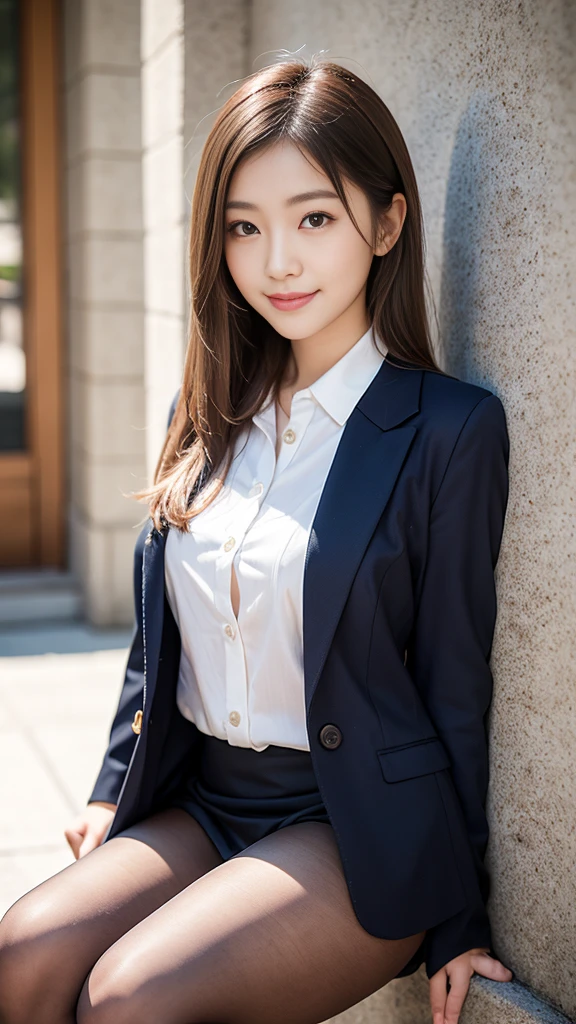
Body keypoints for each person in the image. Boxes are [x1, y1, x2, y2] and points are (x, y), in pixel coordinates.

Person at [0, 56, 514, 1024]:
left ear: (388, 222)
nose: (278, 260)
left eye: (314, 218)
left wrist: (458, 914)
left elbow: (456, 675)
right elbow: (160, 639)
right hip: (202, 795)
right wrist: (115, 787)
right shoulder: (206, 413)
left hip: (349, 821)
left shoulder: (448, 429)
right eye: (245, 226)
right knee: (22, 954)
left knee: (128, 999)